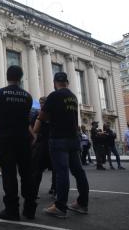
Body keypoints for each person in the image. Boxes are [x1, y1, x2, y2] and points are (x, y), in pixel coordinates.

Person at [34, 72, 89, 218]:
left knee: (61, 172)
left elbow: (43, 116)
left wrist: (38, 126)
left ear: (54, 82)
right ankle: (82, 203)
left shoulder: (54, 95)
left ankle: (60, 207)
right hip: (73, 138)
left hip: (59, 138)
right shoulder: (73, 97)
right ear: (67, 82)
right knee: (78, 171)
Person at [0, 65, 37, 221]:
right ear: (20, 78)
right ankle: (30, 208)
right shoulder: (27, 96)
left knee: (9, 174)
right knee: (26, 174)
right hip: (23, 138)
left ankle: (12, 210)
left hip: (6, 139)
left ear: (7, 76)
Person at [31, 96, 53, 199]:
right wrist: (34, 138)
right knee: (37, 169)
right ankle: (34, 191)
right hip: (42, 143)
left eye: (43, 102)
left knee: (55, 169)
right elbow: (32, 128)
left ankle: (55, 188)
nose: (41, 104)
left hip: (51, 143)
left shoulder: (50, 113)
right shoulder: (37, 113)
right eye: (40, 102)